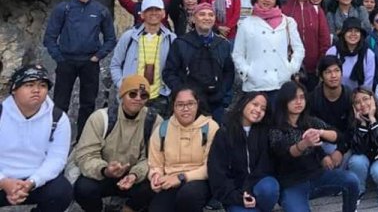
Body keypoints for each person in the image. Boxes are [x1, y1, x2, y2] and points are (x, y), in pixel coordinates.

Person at [44, 0, 117, 138]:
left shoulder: (100, 11)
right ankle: (55, 137)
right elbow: (50, 37)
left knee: (88, 104)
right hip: (66, 62)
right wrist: (59, 58)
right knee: (60, 103)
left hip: (90, 62)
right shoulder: (64, 9)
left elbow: (110, 39)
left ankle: (83, 140)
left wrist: (98, 56)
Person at [72, 75, 160, 212]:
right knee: (83, 188)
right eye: (132, 94)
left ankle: (129, 208)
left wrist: (135, 174)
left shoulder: (154, 121)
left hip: (135, 177)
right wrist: (105, 169)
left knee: (156, 184)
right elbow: (85, 154)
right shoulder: (100, 118)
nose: (138, 98)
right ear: (122, 95)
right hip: (103, 173)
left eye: (143, 96)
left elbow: (154, 159)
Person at [268, 81, 360, 212]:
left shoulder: (309, 121)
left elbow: (338, 136)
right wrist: (304, 143)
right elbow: (285, 153)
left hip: (317, 177)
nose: (299, 102)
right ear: (284, 101)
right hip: (291, 184)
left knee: (351, 180)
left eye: (302, 97)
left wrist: (321, 132)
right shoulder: (275, 127)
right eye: (293, 98)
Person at [0, 64, 73, 212]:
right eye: (29, 84)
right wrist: (3, 182)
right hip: (3, 178)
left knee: (62, 191)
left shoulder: (58, 118)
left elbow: (57, 159)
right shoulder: (1, 114)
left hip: (35, 181)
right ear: (14, 89)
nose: (36, 90)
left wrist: (32, 182)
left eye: (42, 85)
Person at [148, 86, 220, 212]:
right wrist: (155, 176)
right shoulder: (162, 129)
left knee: (188, 195)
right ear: (173, 107)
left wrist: (182, 177)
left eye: (190, 104)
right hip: (170, 180)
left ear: (197, 104)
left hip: (199, 180)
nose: (185, 109)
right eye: (180, 105)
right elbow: (155, 163)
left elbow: (211, 167)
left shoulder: (211, 127)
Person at [233, 0, 304, 105]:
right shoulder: (246, 24)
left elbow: (299, 49)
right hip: (255, 85)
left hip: (280, 83)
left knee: (278, 121)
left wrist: (291, 68)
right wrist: (247, 72)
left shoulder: (288, 22)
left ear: (276, 0)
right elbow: (237, 54)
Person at [163, 3, 235, 123]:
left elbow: (229, 72)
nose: (207, 18)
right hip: (189, 105)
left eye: (210, 15)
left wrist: (222, 95)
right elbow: (169, 73)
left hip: (216, 105)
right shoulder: (180, 44)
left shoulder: (223, 44)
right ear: (193, 19)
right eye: (202, 14)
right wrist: (184, 93)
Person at [208, 92, 280, 212]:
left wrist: (249, 189)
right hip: (235, 194)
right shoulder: (224, 132)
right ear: (243, 103)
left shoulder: (265, 132)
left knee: (270, 188)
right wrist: (238, 196)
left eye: (263, 109)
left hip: (257, 186)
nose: (258, 110)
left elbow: (266, 166)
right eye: (255, 104)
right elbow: (217, 171)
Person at [110, 0, 177, 117]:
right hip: (132, 96)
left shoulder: (172, 39)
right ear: (142, 14)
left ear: (163, 13)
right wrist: (122, 84)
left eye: (157, 10)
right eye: (149, 10)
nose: (153, 13)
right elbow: (115, 64)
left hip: (159, 97)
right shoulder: (129, 37)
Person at [346, 87, 378, 207]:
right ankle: (358, 189)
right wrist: (363, 125)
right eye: (357, 102)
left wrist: (373, 120)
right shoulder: (352, 119)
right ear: (353, 106)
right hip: (364, 158)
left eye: (365, 99)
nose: (362, 104)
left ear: (373, 99)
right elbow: (357, 149)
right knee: (356, 160)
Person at [282, 0, 331, 90]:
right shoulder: (284, 11)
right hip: (290, 66)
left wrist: (321, 62)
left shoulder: (317, 10)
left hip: (313, 67)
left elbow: (324, 38)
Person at [308, 56, 351, 169]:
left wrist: (340, 151)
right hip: (319, 144)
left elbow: (352, 129)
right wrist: (322, 156)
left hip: (345, 143)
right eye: (328, 72)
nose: (333, 76)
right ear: (321, 76)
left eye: (337, 71)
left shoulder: (350, 96)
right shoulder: (312, 99)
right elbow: (308, 129)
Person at [326, 17, 376, 90]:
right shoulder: (333, 52)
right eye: (349, 31)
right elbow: (327, 76)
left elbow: (368, 82)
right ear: (343, 34)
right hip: (336, 93)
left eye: (356, 31)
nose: (353, 34)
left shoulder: (368, 55)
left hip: (359, 96)